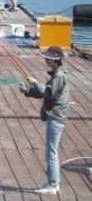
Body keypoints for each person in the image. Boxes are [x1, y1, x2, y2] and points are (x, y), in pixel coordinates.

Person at [19, 46, 70, 194]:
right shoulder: (57, 74)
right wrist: (28, 91)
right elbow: (48, 93)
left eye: (48, 58)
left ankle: (53, 185)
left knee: (51, 152)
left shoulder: (59, 76)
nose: (45, 60)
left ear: (55, 60)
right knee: (51, 151)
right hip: (56, 115)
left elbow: (49, 94)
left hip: (56, 117)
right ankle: (53, 183)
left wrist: (35, 82)